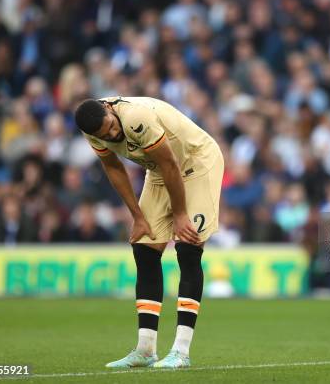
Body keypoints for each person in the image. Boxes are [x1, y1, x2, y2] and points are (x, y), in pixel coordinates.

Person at [74, 96, 224, 369]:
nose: (111, 134)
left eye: (110, 127)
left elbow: (171, 165)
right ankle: (146, 348)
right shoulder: (92, 129)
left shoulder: (136, 117)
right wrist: (137, 217)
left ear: (109, 109)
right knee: (144, 249)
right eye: (104, 134)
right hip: (158, 170)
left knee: (188, 248)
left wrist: (180, 215)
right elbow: (113, 167)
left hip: (197, 163)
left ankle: (181, 351)